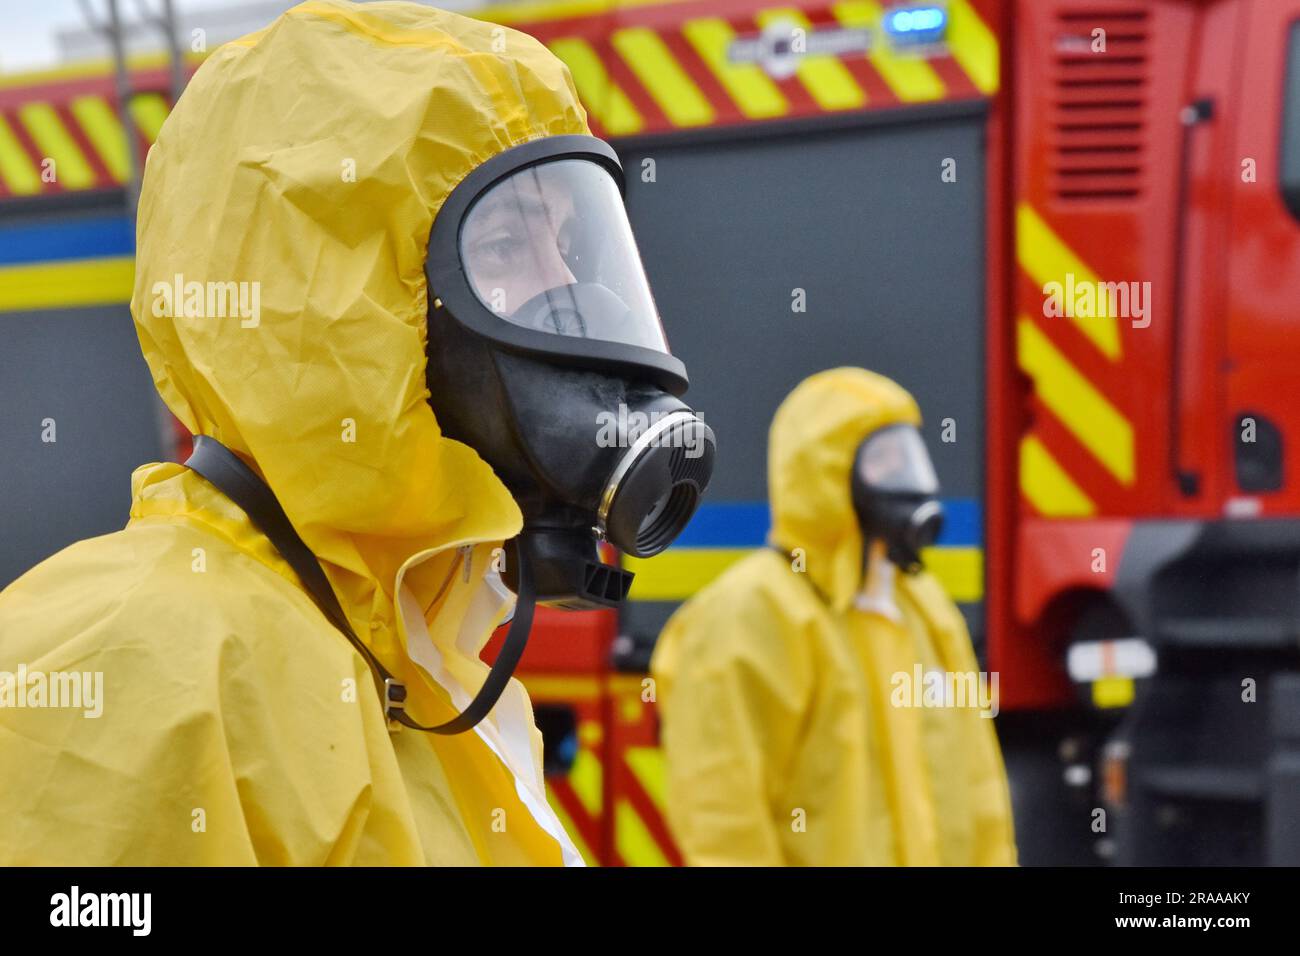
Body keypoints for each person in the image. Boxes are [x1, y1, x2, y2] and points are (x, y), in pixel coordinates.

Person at [0, 0, 712, 865]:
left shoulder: (426, 663)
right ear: (334, 304)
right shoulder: (121, 677)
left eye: (571, 247)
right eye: (500, 252)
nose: (573, 304)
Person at [651, 368, 1015, 866]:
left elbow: (981, 789)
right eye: (884, 461)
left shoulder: (925, 608)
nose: (908, 479)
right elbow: (725, 826)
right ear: (825, 474)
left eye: (909, 456)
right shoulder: (749, 615)